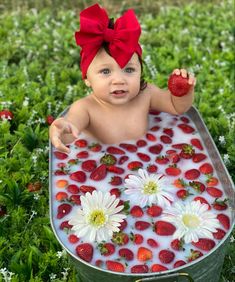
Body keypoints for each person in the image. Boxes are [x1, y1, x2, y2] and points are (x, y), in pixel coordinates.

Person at [49, 3, 196, 154]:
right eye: (105, 71)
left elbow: (176, 107)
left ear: (140, 71)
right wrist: (63, 128)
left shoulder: (146, 94)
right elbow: (71, 129)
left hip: (144, 157)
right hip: (101, 162)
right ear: (87, 78)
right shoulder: (85, 108)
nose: (119, 80)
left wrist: (182, 91)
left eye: (129, 69)